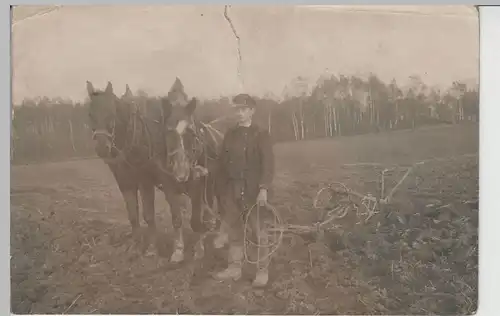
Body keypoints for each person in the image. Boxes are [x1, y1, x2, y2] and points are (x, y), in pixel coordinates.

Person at [213, 93, 275, 287]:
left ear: (252, 111)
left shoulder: (261, 134)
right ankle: (234, 268)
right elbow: (221, 163)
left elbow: (268, 165)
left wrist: (263, 189)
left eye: (243, 109)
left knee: (258, 232)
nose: (239, 113)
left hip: (254, 192)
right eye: (237, 110)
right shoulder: (230, 135)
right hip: (232, 190)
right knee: (234, 230)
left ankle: (262, 270)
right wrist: (207, 172)